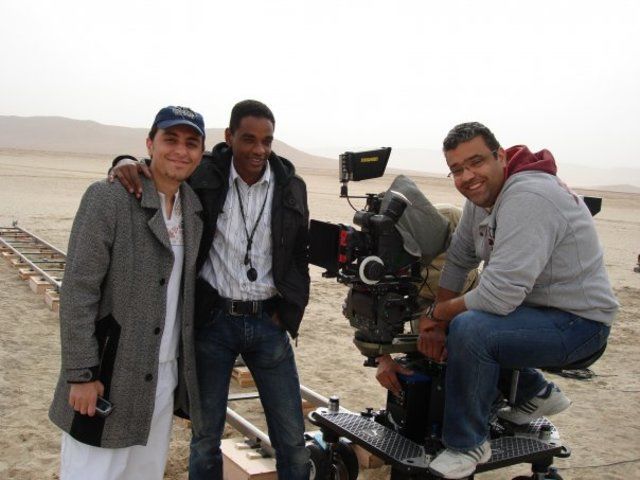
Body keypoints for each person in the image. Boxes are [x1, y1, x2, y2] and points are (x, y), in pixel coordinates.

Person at [376, 122, 618, 479]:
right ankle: (535, 393)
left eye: (476, 162)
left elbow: (498, 295)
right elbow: (459, 259)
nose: (467, 176)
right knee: (461, 321)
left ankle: (467, 444)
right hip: (535, 313)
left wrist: (437, 313)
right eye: (457, 169)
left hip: (579, 324)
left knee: (471, 328)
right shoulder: (483, 198)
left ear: (500, 156)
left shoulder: (528, 197)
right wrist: (436, 323)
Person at [110, 99, 310, 479]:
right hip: (214, 322)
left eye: (267, 141)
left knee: (292, 438)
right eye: (249, 139)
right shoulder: (204, 174)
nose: (259, 150)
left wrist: (289, 310)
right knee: (205, 438)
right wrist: (123, 161)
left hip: (269, 323)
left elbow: (300, 250)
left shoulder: (290, 186)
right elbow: (159, 169)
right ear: (230, 137)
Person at [49, 106, 206, 479]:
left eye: (191, 143)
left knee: (145, 473)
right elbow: (78, 290)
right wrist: (81, 374)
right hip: (109, 374)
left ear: (202, 154)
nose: (180, 151)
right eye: (170, 139)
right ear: (150, 144)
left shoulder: (194, 208)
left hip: (163, 377)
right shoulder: (109, 198)